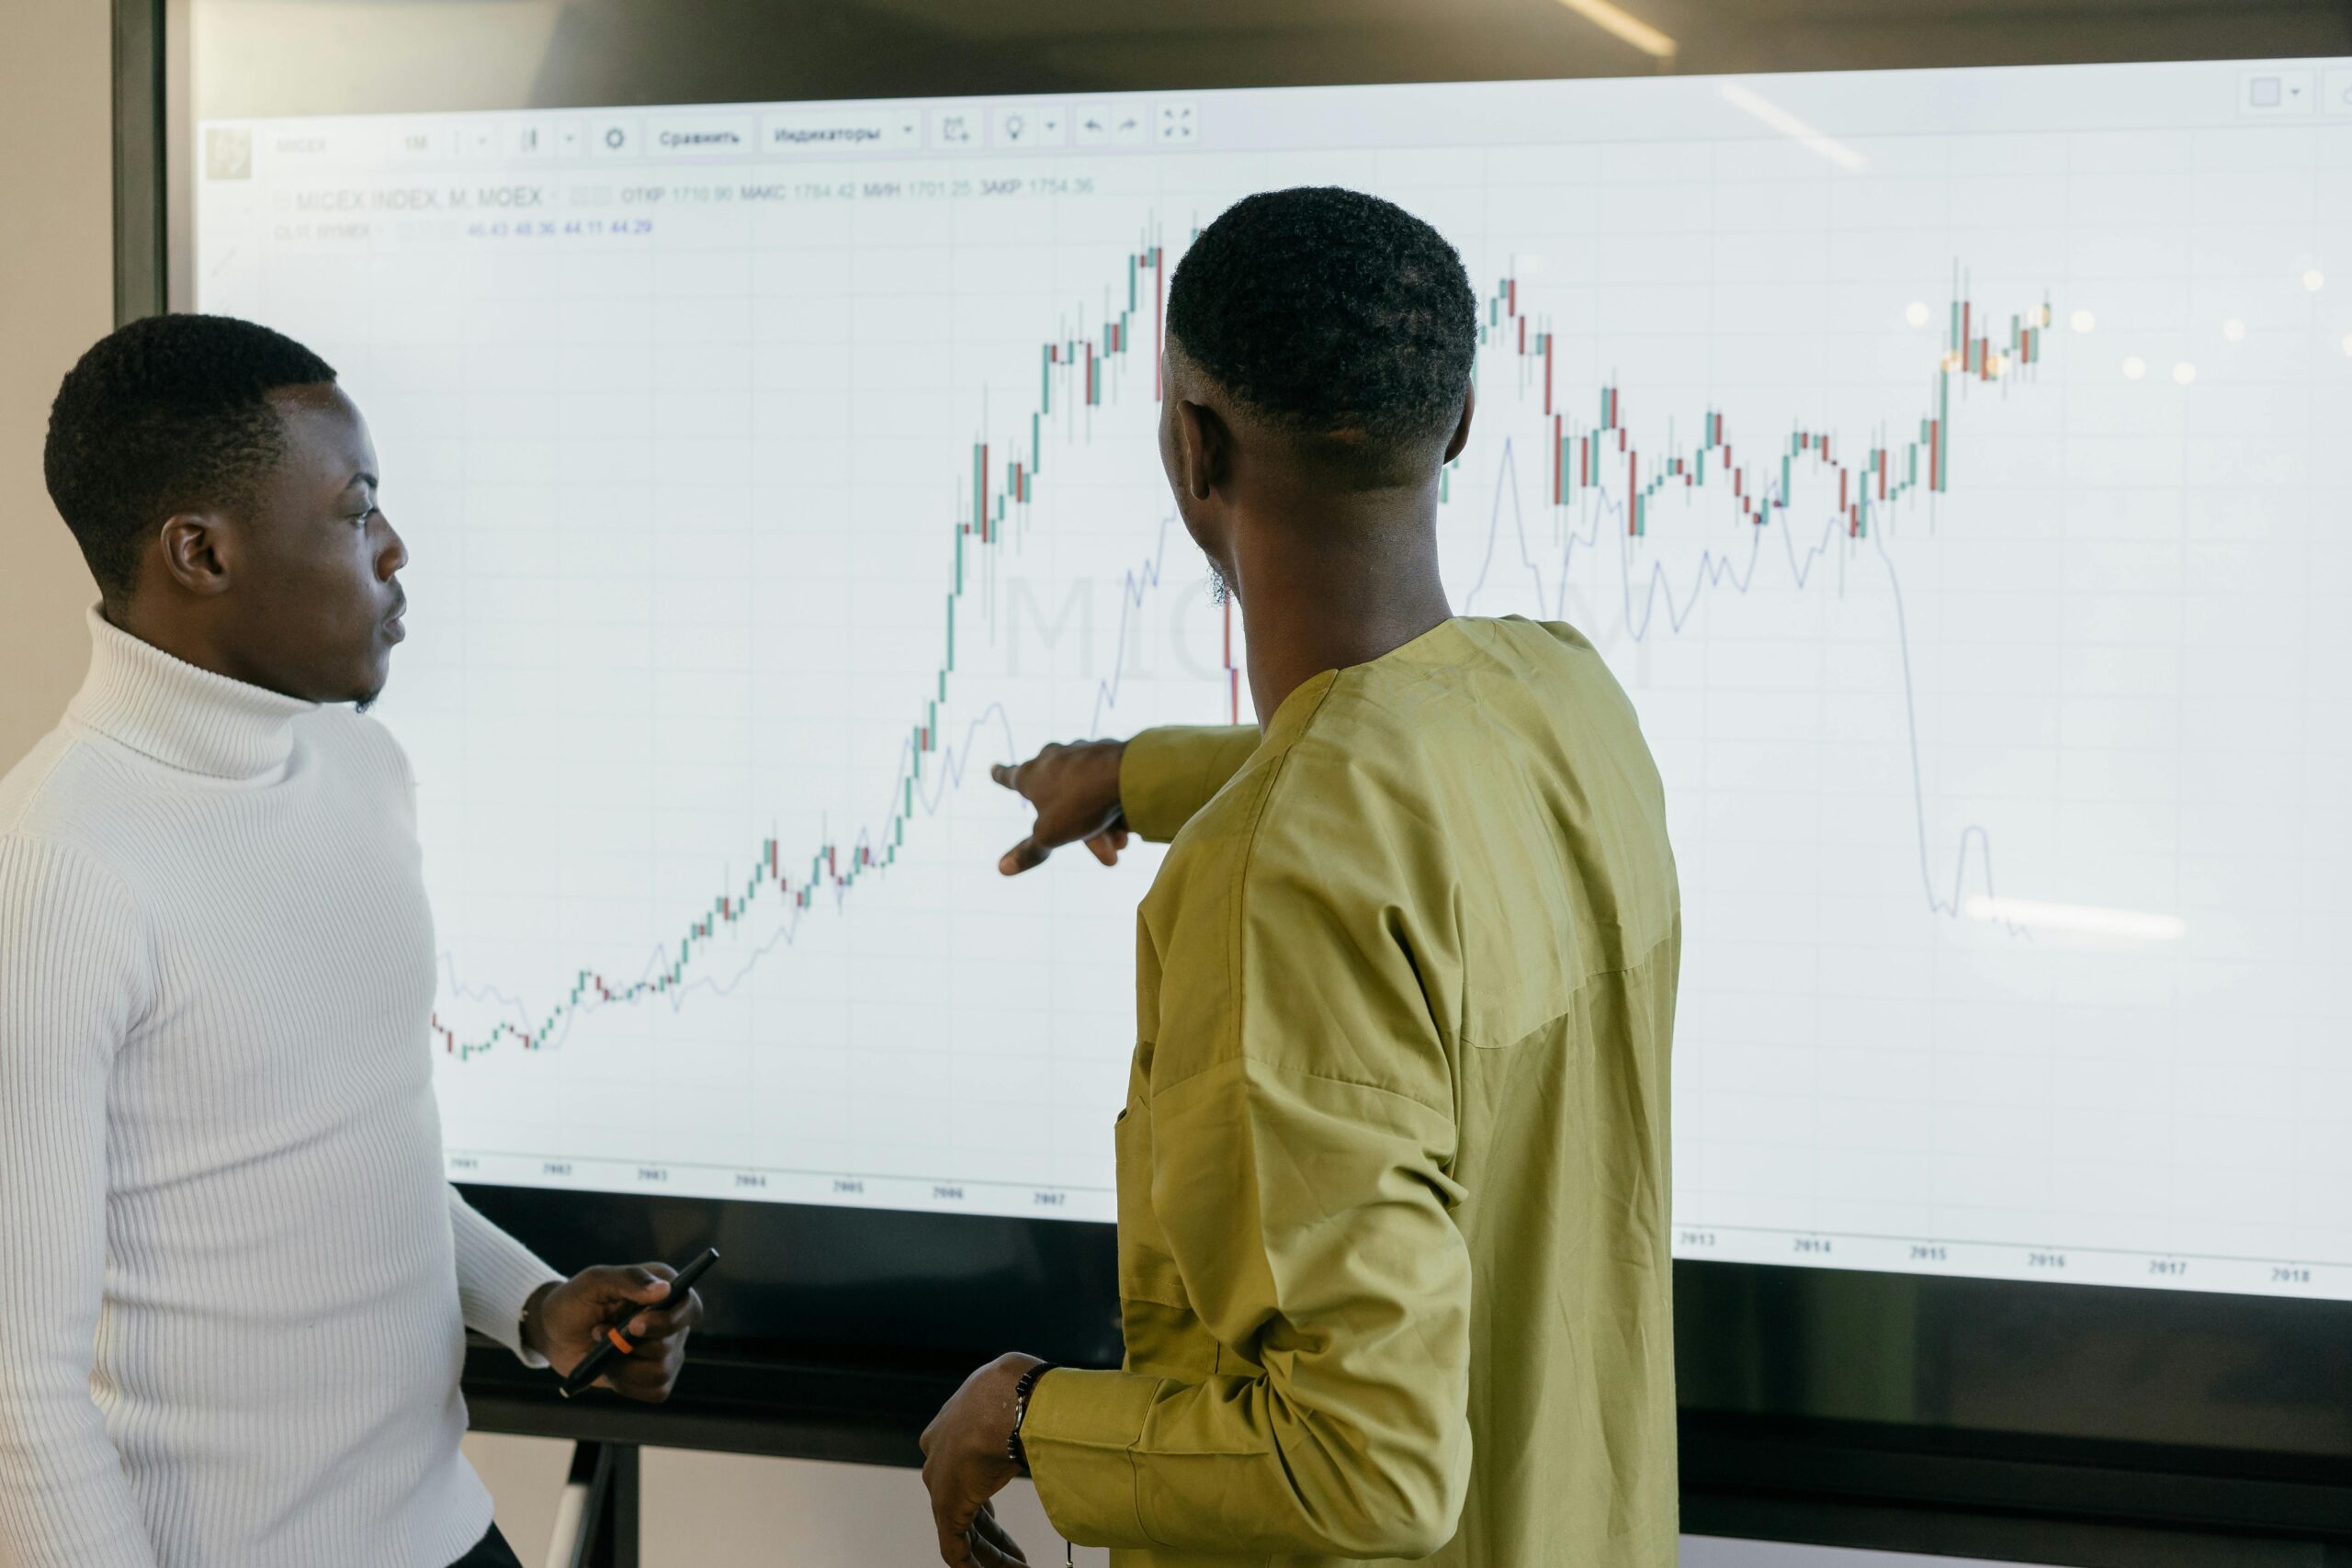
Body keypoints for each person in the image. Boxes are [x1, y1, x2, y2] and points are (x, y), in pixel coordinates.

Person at [918, 187, 1680, 1567]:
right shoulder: (1569, 701)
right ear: (1453, 422)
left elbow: (1364, 1470)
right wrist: (1135, 772)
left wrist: (1027, 1421)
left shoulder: (1272, 879)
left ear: (1190, 447)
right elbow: (1404, 776)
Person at [0, 314, 705, 1568]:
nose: (394, 549)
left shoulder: (362, 767)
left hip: (449, 1534)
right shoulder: (56, 866)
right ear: (200, 553)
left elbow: (339, 1153)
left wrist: (532, 1307)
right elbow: (18, 1394)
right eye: (355, 509)